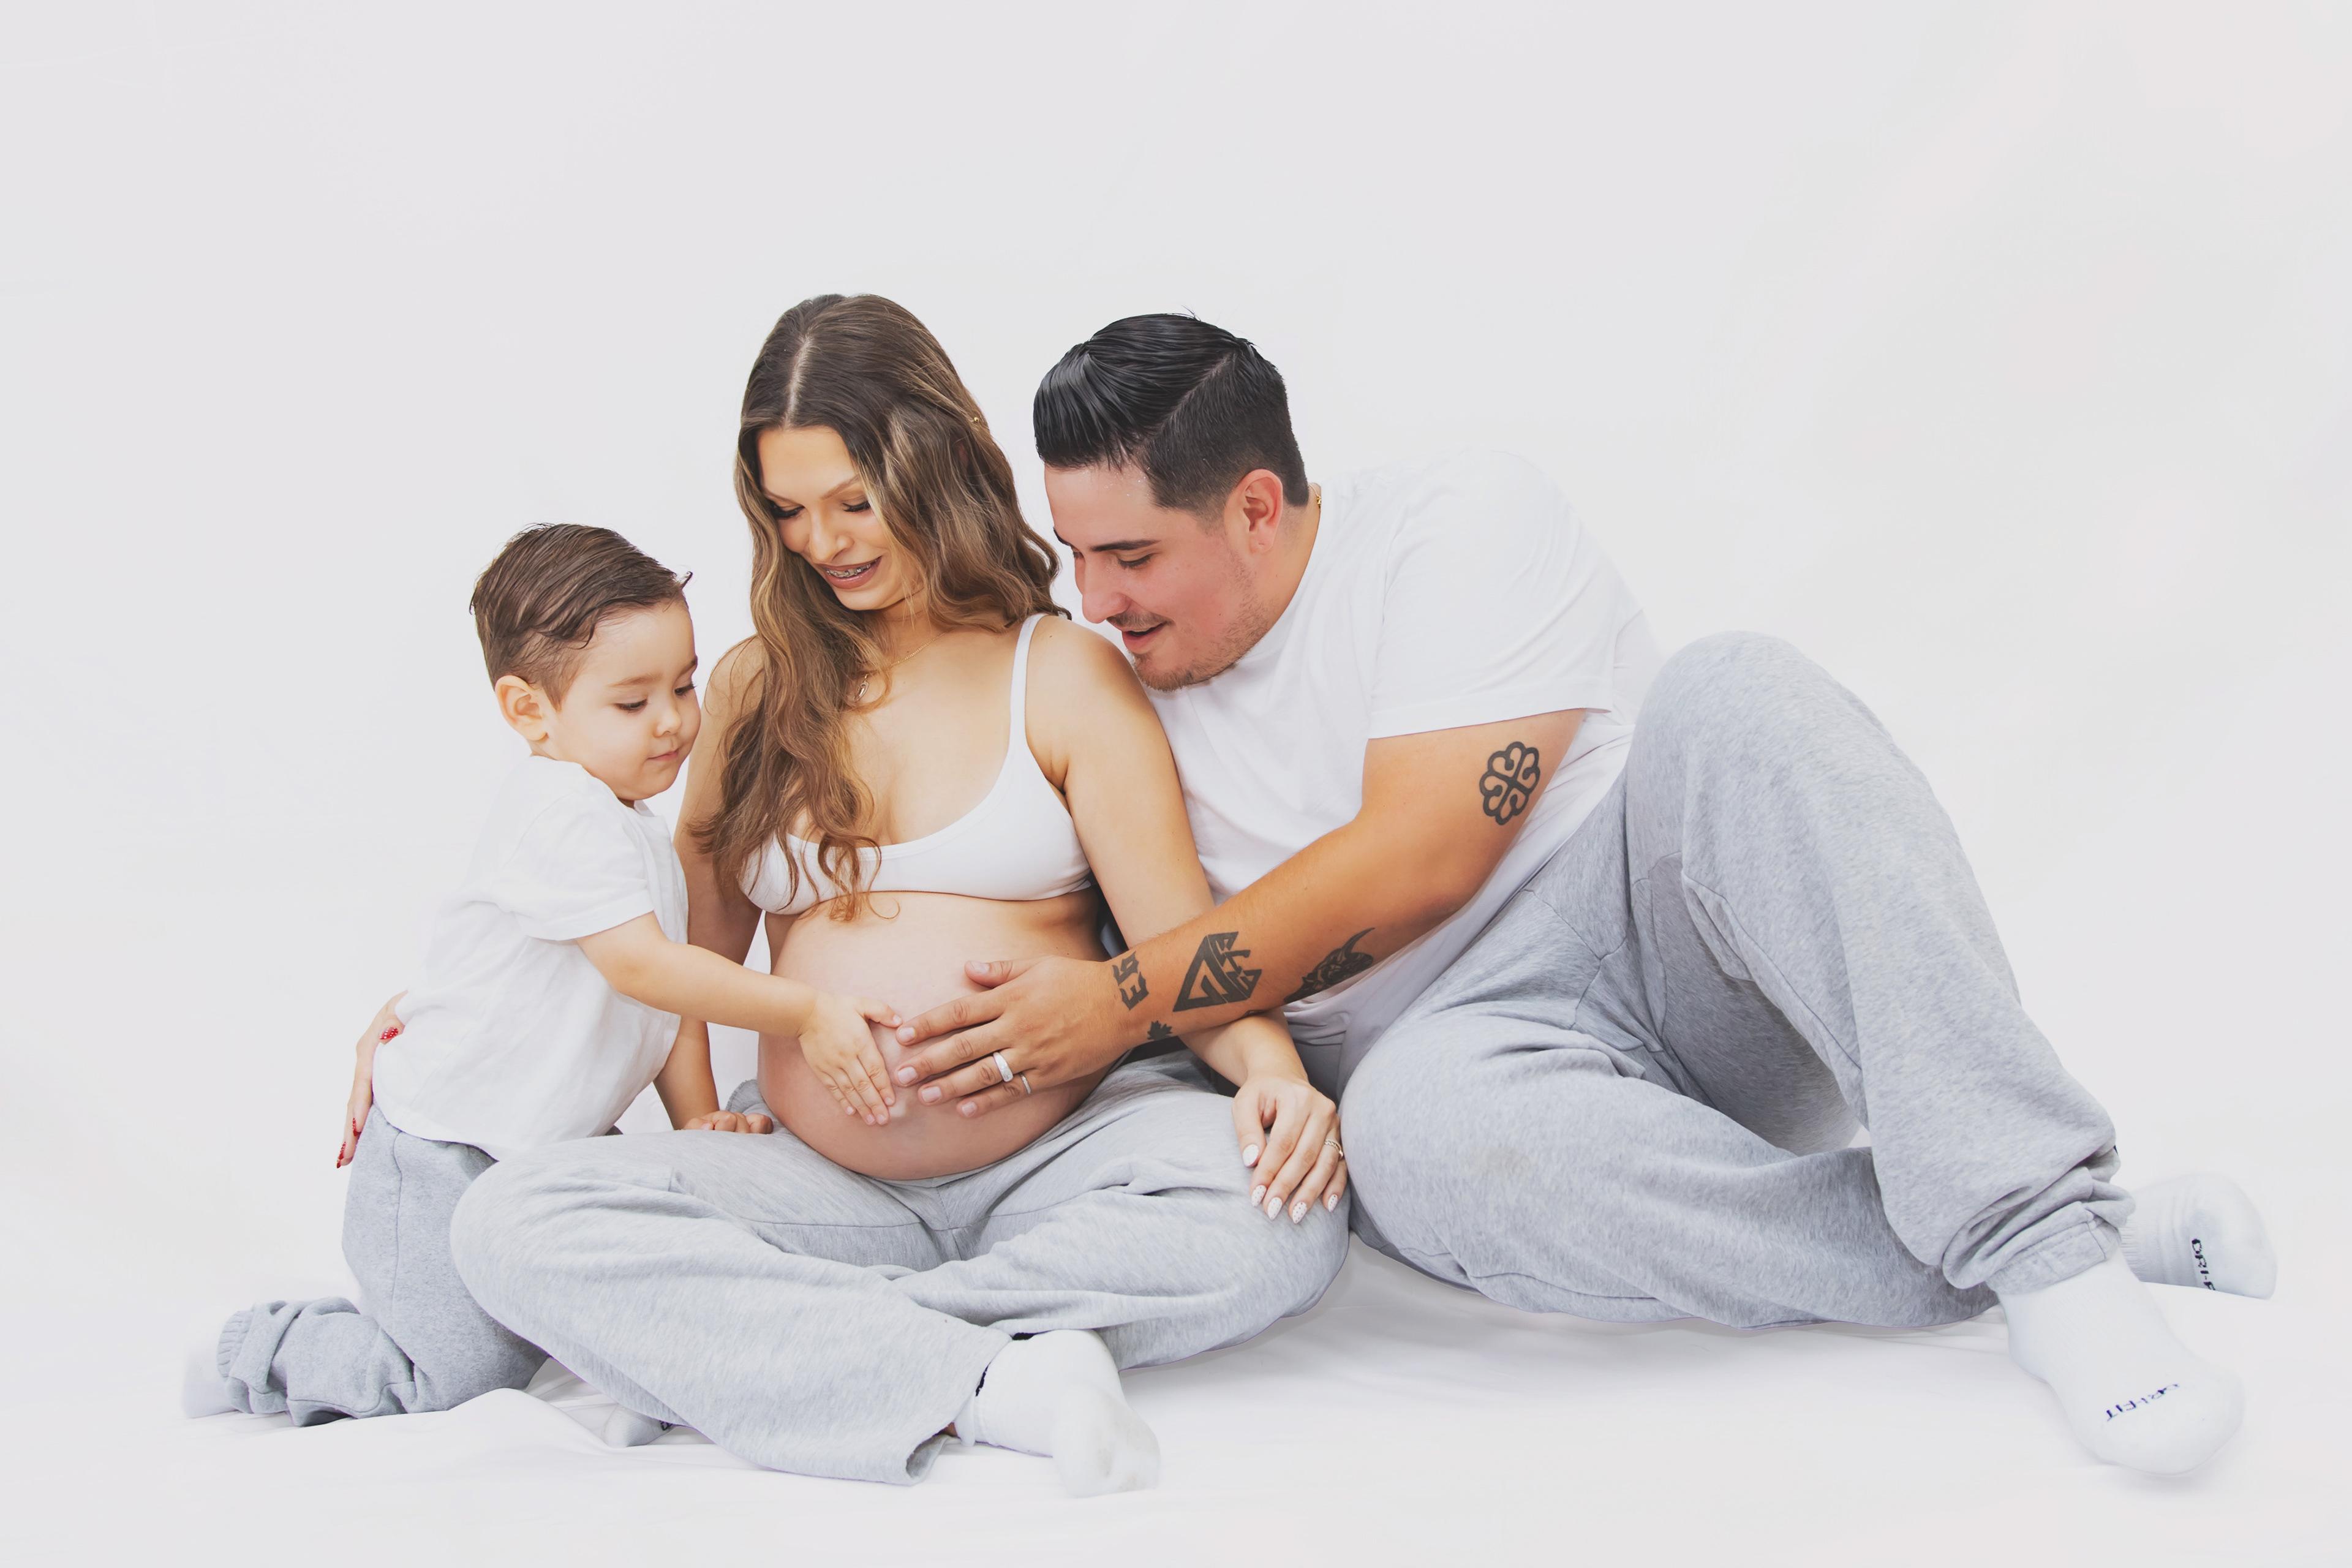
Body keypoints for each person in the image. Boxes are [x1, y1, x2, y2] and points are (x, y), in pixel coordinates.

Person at [887, 313, 2279, 1476]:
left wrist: (1119, 998)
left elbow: (1425, 852)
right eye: (1076, 554)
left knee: (1735, 691)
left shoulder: (1459, 523)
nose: (1099, 597)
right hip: (1471, 1075)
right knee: (1406, 1138)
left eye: (1133, 557)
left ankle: (2043, 1240)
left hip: (1672, 949)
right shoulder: (1102, 684)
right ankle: (2056, 1245)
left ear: (1256, 506)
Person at [443, 295, 1348, 1494]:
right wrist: (452, 1005)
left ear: (931, 460)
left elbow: (1183, 949)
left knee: (1283, 1214)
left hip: (1060, 1156)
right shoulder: (753, 689)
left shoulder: (1060, 671)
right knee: (510, 1220)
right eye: (788, 510)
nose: (821, 540)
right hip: (815, 1184)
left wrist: (1275, 1076)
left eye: (852, 501)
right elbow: (669, 954)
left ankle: (768, 1352)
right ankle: (998, 1368)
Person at [183, 522, 863, 1426]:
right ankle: (259, 1348)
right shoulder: (561, 811)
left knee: (611, 1283)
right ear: (529, 711)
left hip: (544, 1148)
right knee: (444, 1376)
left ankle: (636, 1369)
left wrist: (695, 1119)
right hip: (447, 1146)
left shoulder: (629, 826)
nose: (672, 721)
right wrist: (804, 1011)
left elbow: (666, 1010)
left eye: (684, 686)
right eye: (633, 702)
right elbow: (648, 971)